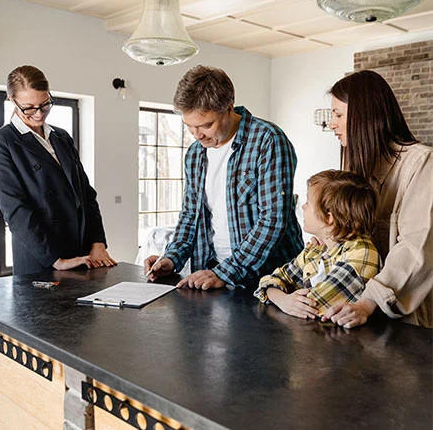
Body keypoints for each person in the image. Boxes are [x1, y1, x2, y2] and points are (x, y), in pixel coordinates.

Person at [144, 65, 303, 289]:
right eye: (189, 127)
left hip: (269, 279)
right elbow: (191, 214)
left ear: (229, 108)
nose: (197, 135)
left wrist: (226, 272)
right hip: (213, 272)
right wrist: (171, 258)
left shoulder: (268, 140)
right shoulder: (195, 153)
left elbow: (273, 219)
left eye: (206, 125)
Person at [323, 69, 433, 328]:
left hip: (406, 321)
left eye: (338, 114)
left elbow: (415, 248)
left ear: (364, 115)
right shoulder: (357, 169)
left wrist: (367, 302)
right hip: (358, 313)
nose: (331, 124)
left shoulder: (421, 162)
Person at [0, 65, 116, 275]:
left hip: (82, 252)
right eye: (29, 108)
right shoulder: (1, 141)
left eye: (45, 105)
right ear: (12, 100)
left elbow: (86, 194)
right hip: (42, 257)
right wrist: (56, 260)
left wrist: (97, 242)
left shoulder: (61, 136)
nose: (39, 114)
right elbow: (15, 209)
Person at [254, 170, 381, 319]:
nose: (303, 207)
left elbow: (311, 306)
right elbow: (269, 280)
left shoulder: (361, 254)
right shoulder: (317, 249)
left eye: (308, 203)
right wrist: (284, 300)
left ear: (329, 218)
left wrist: (285, 299)